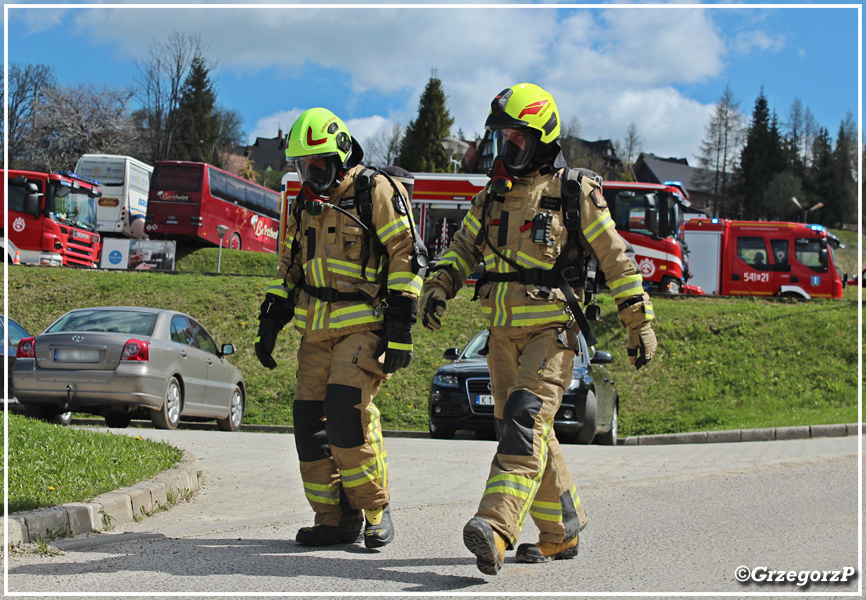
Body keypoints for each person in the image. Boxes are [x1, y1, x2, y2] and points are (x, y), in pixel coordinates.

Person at [419, 83, 657, 575]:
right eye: (501, 141)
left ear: (543, 140)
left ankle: (496, 527)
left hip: (553, 331)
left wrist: (638, 322)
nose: (506, 151)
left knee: (523, 425)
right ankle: (562, 530)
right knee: (526, 432)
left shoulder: (574, 191)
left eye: (516, 141)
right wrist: (440, 285)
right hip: (501, 336)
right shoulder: (491, 197)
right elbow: (463, 247)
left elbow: (616, 257)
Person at [254, 108, 424, 549]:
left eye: (319, 166)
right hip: (315, 331)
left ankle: (374, 511)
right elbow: (290, 263)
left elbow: (406, 254)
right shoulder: (306, 202)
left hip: (364, 327)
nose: (311, 177)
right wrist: (271, 318)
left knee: (347, 416)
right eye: (303, 168)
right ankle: (333, 519)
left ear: (342, 156)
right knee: (309, 425)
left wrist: (402, 326)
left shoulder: (374, 191)